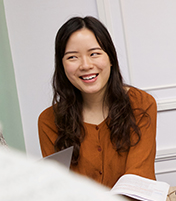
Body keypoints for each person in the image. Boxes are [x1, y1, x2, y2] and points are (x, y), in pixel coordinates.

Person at [38, 16, 157, 188]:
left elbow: (139, 178)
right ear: (62, 66)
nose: (86, 65)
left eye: (94, 53)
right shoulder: (48, 121)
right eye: (72, 57)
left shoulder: (142, 104)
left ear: (110, 58)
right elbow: (59, 189)